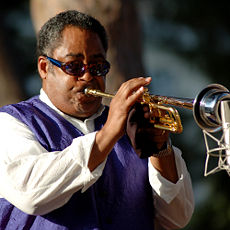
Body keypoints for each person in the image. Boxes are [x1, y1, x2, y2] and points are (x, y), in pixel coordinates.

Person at [0, 10, 194, 230]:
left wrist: (161, 151)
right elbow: (32, 195)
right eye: (74, 66)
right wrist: (109, 133)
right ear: (45, 67)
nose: (88, 77)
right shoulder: (11, 123)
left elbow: (176, 219)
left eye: (97, 67)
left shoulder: (131, 125)